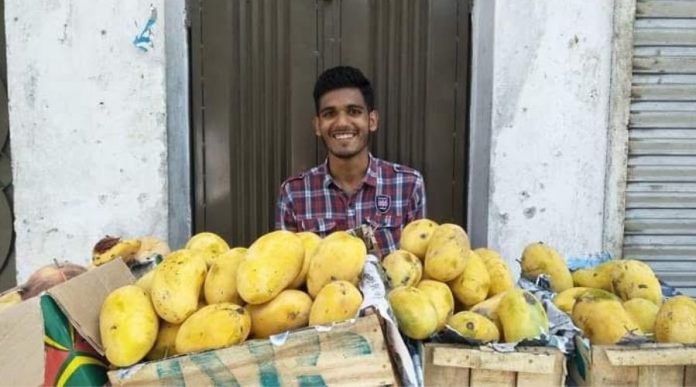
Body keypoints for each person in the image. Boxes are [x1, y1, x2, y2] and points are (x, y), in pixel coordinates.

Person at [275, 66, 426, 257]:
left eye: (353, 111)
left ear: (372, 120)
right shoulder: (294, 194)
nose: (342, 123)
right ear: (318, 126)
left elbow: (418, 268)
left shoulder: (408, 185)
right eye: (330, 114)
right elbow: (284, 269)